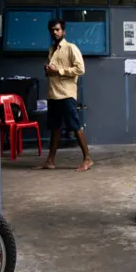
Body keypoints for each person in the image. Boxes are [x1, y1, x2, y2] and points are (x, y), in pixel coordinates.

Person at [40, 18, 93, 172]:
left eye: (57, 30)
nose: (54, 32)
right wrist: (48, 70)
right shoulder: (51, 49)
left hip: (66, 94)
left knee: (75, 126)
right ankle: (50, 161)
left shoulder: (71, 48)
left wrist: (59, 71)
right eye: (52, 30)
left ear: (63, 31)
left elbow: (80, 69)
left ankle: (87, 159)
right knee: (55, 128)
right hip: (53, 93)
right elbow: (53, 72)